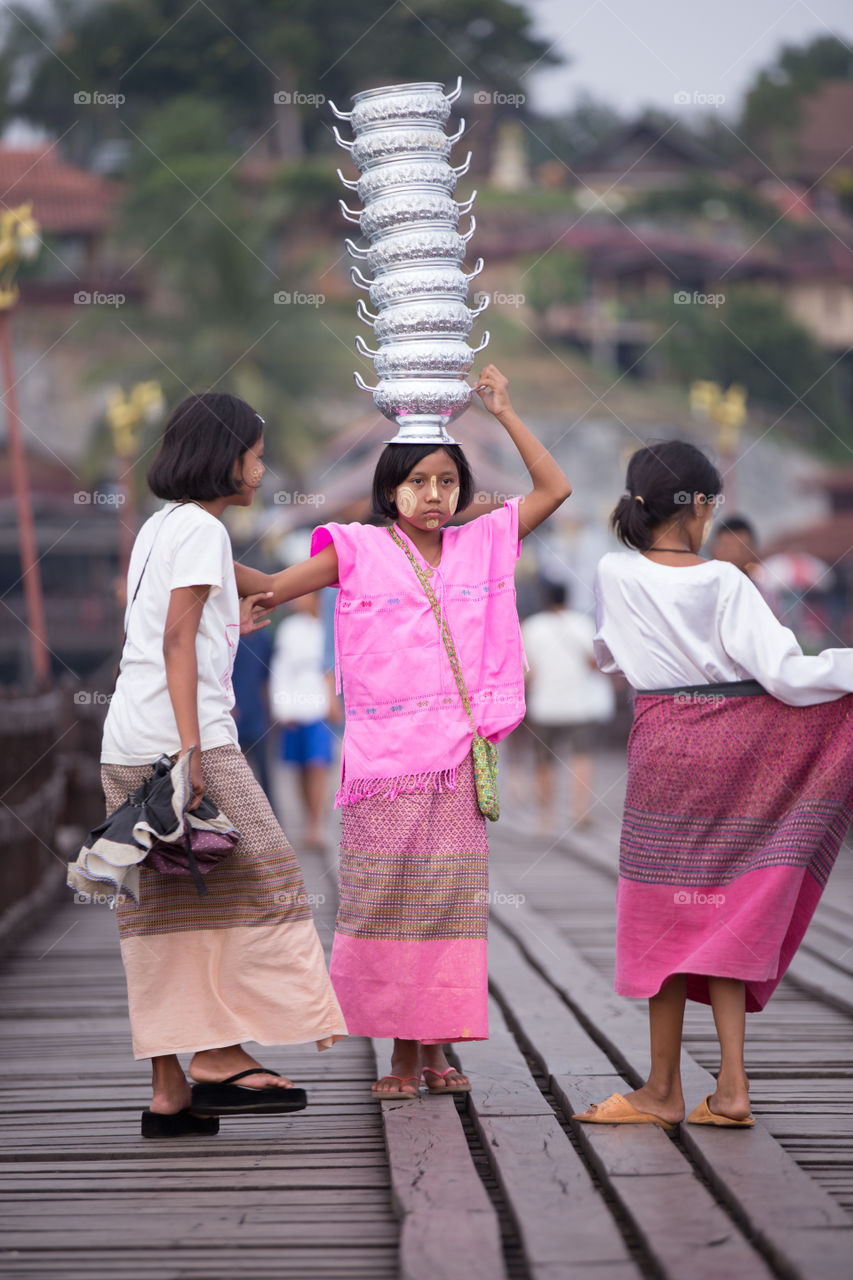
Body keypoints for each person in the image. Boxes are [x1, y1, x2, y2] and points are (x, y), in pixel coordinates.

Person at [235, 365, 571, 1098]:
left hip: (454, 761)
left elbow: (554, 491)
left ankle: (435, 1047)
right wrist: (191, 545)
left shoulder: (484, 543)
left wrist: (507, 411)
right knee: (385, 901)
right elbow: (272, 584)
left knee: (446, 905)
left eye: (446, 483)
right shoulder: (357, 550)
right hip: (384, 765)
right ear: (390, 490)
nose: (432, 496)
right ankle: (398, 1054)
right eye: (417, 482)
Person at [574, 440, 853, 1131]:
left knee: (660, 909)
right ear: (700, 506)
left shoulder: (614, 571)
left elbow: (607, 655)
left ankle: (660, 1089)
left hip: (665, 748)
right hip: (735, 750)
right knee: (727, 904)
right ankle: (730, 1087)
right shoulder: (726, 581)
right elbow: (784, 674)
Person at [99, 392, 346, 1138]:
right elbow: (177, 640)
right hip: (178, 740)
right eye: (255, 452)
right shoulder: (200, 529)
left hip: (126, 739)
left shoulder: (162, 527)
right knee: (269, 875)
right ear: (225, 456)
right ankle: (217, 1056)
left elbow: (224, 597)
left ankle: (170, 1094)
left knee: (170, 911)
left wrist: (284, 590)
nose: (262, 465)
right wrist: (190, 750)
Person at [521, 581, 615, 829]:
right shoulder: (582, 624)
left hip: (544, 706)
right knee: (581, 757)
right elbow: (596, 664)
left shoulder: (531, 627)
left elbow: (527, 673)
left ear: (544, 599)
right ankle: (579, 810)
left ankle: (546, 817)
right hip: (579, 705)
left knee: (544, 761)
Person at [269, 592, 336, 851]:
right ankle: (308, 816)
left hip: (320, 706)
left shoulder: (327, 626)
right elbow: (280, 668)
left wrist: (333, 701)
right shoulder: (289, 629)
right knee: (299, 767)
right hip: (295, 705)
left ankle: (316, 823)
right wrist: (282, 707)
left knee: (319, 764)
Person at [230, 622, 273, 797]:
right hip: (233, 715)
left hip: (257, 715)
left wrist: (269, 711)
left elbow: (266, 678)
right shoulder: (231, 637)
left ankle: (272, 814)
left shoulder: (264, 640)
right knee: (235, 775)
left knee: (265, 772)